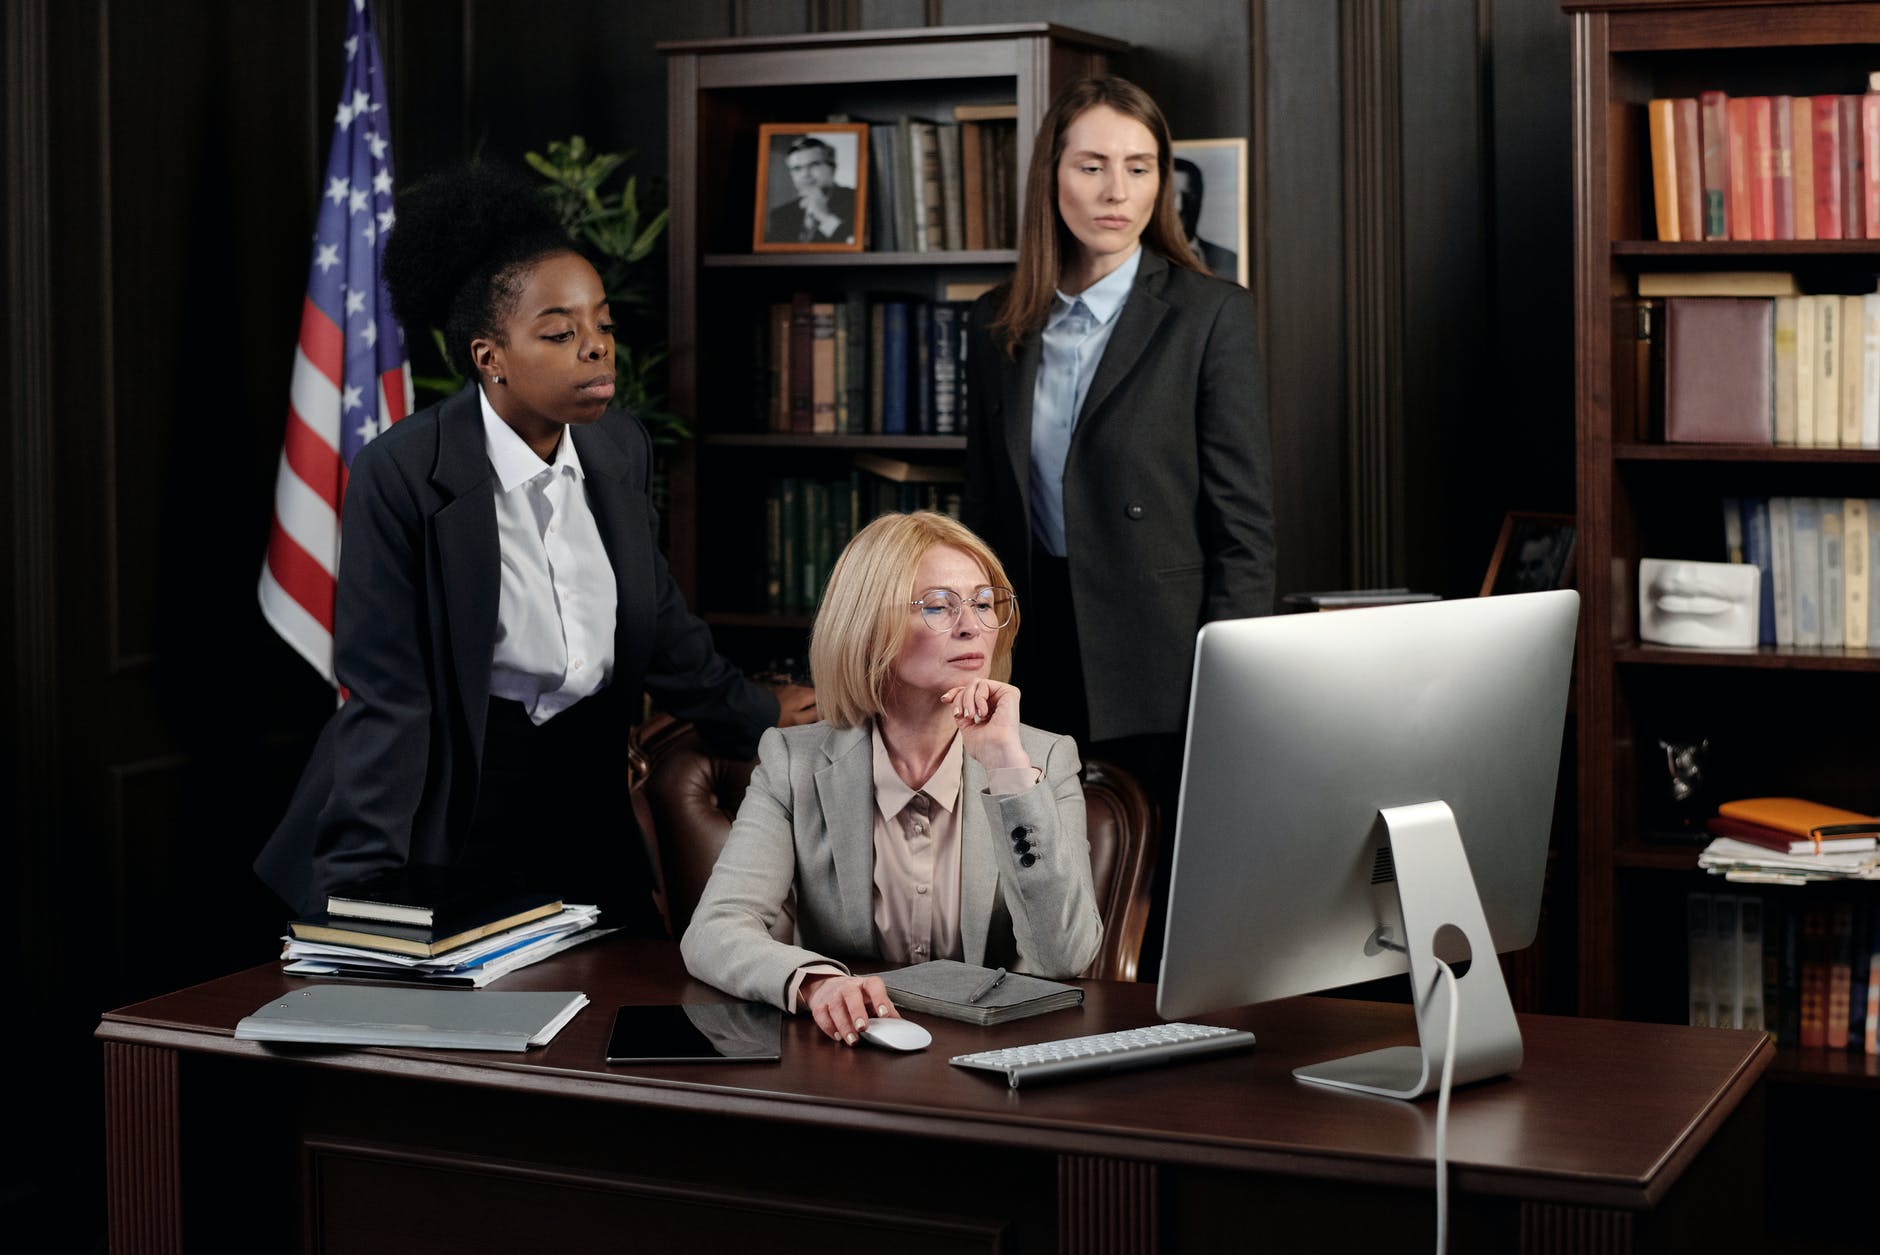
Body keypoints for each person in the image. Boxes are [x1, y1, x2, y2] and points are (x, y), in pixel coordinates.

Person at [255, 163, 814, 932]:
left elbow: (659, 624)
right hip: (449, 813)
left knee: (627, 1012)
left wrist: (759, 712)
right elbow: (390, 698)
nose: (596, 349)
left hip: (582, 801)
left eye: (603, 326)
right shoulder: (404, 472)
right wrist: (363, 897)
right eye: (560, 332)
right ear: (490, 357)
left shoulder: (619, 447)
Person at [960, 77, 1275, 975]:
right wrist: (970, 652)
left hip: (1166, 655)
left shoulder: (1211, 314)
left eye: (1139, 168)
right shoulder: (996, 323)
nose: (1116, 191)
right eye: (1092, 165)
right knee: (1040, 892)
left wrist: (1235, 685)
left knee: (1173, 909)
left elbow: (1245, 525)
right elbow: (981, 515)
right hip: (1036, 644)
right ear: (1050, 179)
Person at [681, 512, 1101, 1045]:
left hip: (997, 1059)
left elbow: (1063, 957)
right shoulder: (793, 760)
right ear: (868, 625)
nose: (972, 626)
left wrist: (1006, 769)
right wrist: (814, 981)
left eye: (982, 602)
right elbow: (715, 930)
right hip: (851, 1051)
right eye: (937, 606)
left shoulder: (1042, 757)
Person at [764, 135, 857, 244]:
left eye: (814, 165)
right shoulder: (780, 215)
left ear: (832, 168)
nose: (805, 174)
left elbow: (856, 245)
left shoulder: (856, 200)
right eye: (797, 168)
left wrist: (825, 217)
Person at [1172, 156, 1240, 282]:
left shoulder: (1230, 260)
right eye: (1171, 196)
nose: (1180, 207)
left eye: (1189, 196)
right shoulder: (1137, 259)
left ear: (1200, 200)